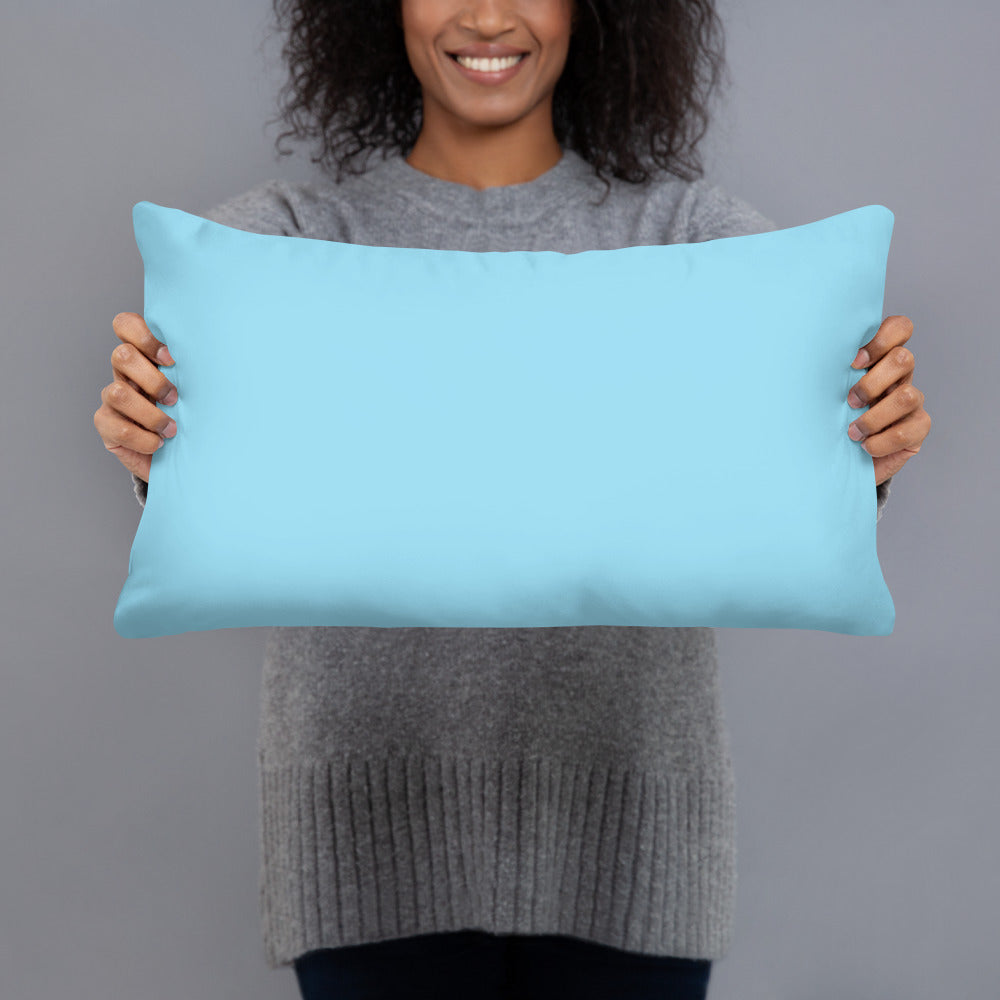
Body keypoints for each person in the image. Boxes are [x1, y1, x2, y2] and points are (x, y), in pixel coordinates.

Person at [93, 1, 931, 997]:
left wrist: (864, 447)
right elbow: (231, 482)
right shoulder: (289, 236)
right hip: (362, 846)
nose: (488, 16)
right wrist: (154, 445)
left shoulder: (691, 237)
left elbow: (778, 473)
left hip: (634, 842)